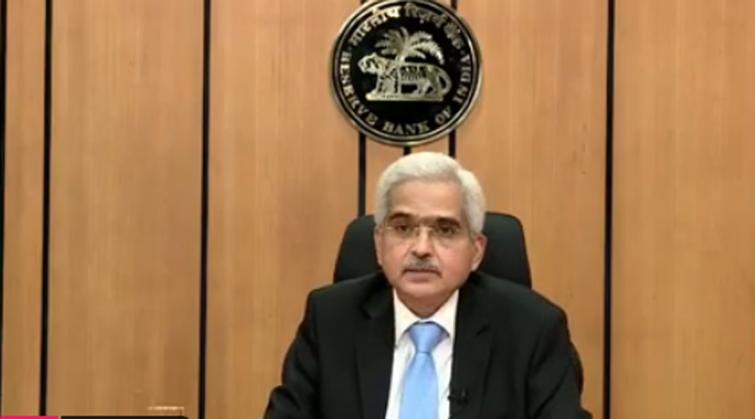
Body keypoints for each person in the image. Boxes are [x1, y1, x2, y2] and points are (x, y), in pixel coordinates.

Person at [264, 152, 588, 419]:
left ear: (476, 252)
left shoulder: (533, 329)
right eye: (403, 228)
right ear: (378, 244)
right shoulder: (330, 319)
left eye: (445, 230)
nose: (421, 248)